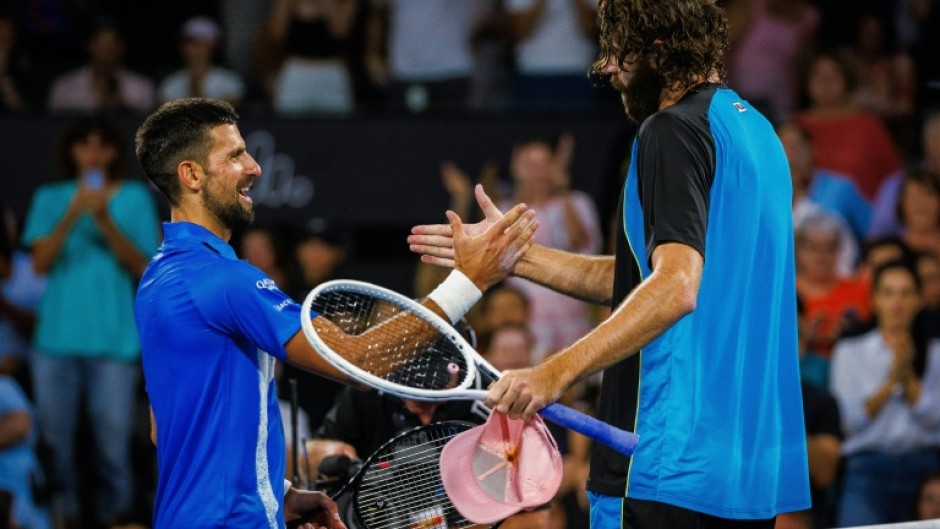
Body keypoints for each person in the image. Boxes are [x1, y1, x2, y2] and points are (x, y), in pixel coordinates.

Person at [409, 1, 810, 527]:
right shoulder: (760, 135)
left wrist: (553, 373)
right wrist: (516, 256)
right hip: (743, 473)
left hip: (662, 465)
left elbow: (674, 287)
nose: (606, 69)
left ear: (657, 51)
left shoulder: (670, 130)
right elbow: (643, 280)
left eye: (618, 51)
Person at [132, 97, 537, 529]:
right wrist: (470, 280)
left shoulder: (158, 281)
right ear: (191, 174)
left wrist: (277, 495)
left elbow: (173, 429)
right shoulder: (224, 280)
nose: (254, 167)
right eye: (235, 156)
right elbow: (355, 359)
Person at [21, 118, 160, 527]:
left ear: (115, 152)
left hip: (113, 343)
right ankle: (62, 518)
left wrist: (101, 217)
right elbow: (40, 263)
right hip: (55, 342)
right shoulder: (50, 197)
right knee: (54, 445)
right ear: (72, 152)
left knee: (112, 448)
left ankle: (116, 520)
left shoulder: (133, 198)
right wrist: (73, 213)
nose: (93, 154)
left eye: (102, 145)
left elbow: (142, 266)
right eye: (84, 145)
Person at [830, 259, 940, 526]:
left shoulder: (936, 353)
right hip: (867, 470)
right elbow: (848, 422)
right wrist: (891, 383)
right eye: (888, 292)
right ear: (875, 299)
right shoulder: (849, 352)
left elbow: (936, 420)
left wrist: (909, 379)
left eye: (905, 293)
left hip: (925, 471)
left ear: (918, 299)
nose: (897, 303)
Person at [47, 18, 155, 114]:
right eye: (101, 44)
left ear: (122, 47)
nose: (107, 50)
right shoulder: (64, 88)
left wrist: (123, 109)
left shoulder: (142, 88)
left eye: (112, 44)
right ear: (89, 46)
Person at [157, 16, 246, 105]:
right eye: (188, 44)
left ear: (213, 47)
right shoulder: (169, 84)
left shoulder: (230, 81)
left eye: (200, 45)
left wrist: (197, 89)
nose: (193, 50)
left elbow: (227, 112)